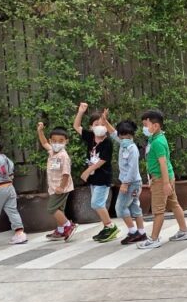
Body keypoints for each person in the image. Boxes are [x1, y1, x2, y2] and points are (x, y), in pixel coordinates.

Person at [136, 109, 187, 249]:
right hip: (163, 177)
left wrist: (165, 183)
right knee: (174, 204)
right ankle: (184, 231)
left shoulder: (157, 142)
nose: (144, 128)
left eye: (146, 125)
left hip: (161, 179)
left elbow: (163, 164)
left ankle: (154, 239)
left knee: (158, 210)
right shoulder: (156, 138)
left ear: (155, 126)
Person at [73, 102, 117, 243]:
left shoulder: (107, 142)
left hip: (103, 177)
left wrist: (88, 171)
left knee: (97, 203)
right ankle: (106, 227)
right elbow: (76, 126)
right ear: (91, 127)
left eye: (102, 124)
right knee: (98, 203)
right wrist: (81, 112)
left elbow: (103, 160)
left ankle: (111, 226)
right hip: (94, 178)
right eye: (96, 124)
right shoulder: (90, 137)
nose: (100, 127)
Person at [103, 113, 146, 245]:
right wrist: (105, 121)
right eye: (121, 135)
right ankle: (141, 232)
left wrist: (125, 184)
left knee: (120, 208)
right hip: (133, 183)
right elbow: (113, 132)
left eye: (126, 135)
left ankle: (133, 232)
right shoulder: (123, 144)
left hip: (131, 183)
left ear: (131, 135)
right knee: (134, 207)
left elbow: (133, 169)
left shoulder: (132, 149)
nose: (123, 138)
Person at [37, 122, 76, 241]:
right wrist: (40, 131)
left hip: (61, 188)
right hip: (54, 187)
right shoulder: (52, 151)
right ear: (51, 141)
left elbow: (66, 174)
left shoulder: (63, 156)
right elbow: (44, 143)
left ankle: (68, 226)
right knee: (59, 209)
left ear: (66, 141)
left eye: (60, 141)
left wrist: (61, 187)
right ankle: (60, 230)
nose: (57, 143)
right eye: (54, 141)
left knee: (52, 208)